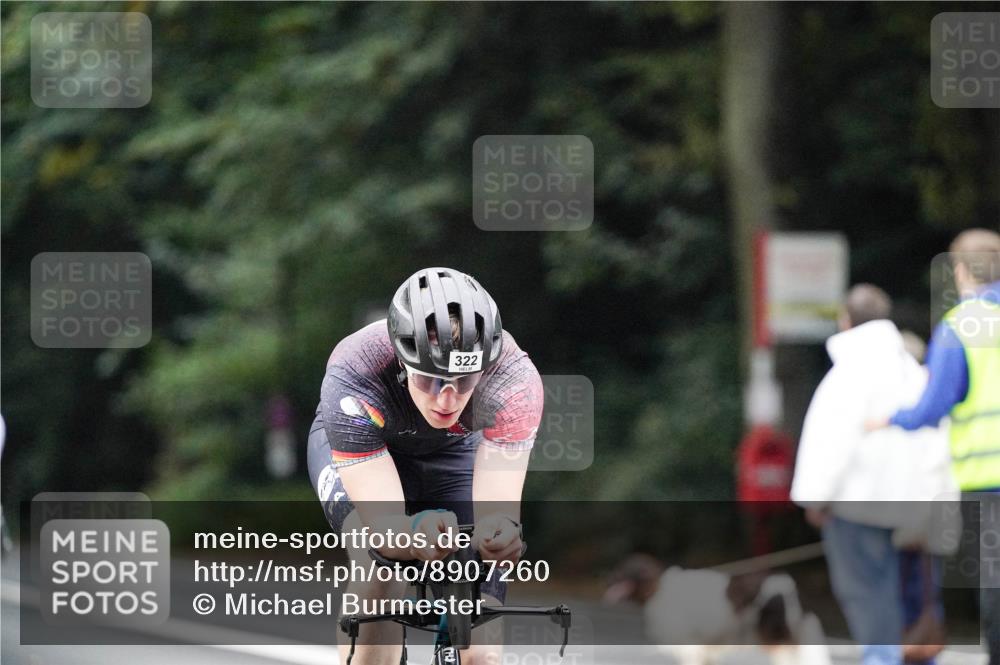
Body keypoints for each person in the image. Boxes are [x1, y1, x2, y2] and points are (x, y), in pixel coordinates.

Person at [307, 267, 543, 665]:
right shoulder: (356, 371)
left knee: (480, 643)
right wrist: (410, 531)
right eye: (430, 379)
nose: (447, 399)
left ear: (485, 368)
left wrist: (500, 534)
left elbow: (499, 517)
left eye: (464, 381)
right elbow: (385, 532)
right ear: (402, 361)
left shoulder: (514, 382)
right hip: (369, 440)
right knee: (378, 568)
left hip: (456, 450)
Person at [791, 284, 948, 665]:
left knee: (869, 597)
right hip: (915, 509)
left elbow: (828, 445)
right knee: (915, 603)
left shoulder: (846, 375)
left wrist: (815, 499)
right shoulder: (913, 371)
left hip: (857, 509)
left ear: (846, 321)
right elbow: (938, 437)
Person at [868, 228, 1000, 664]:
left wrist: (890, 418)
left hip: (989, 483)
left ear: (960, 271)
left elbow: (933, 405)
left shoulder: (960, 327)